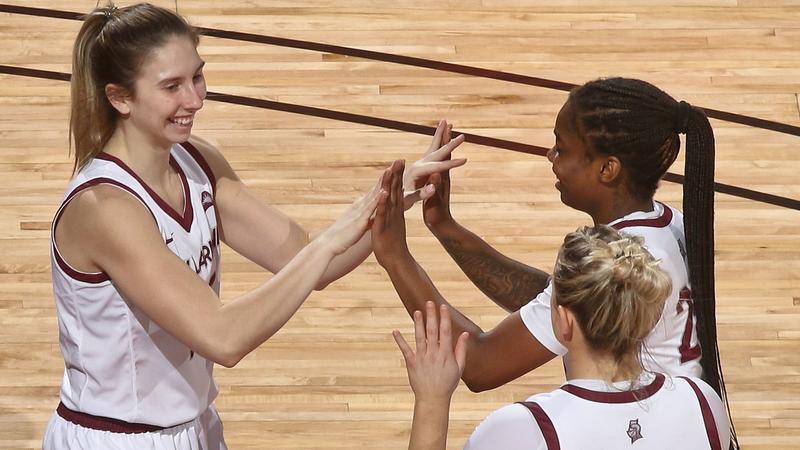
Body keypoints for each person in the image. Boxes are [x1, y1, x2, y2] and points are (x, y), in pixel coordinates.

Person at [42, 3, 464, 449]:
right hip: (117, 438)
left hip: (194, 427)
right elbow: (224, 338)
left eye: (197, 76)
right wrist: (331, 240)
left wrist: (394, 199)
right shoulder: (104, 207)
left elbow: (305, 262)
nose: (194, 99)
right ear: (119, 97)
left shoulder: (197, 161)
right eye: (171, 86)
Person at [372, 77, 737, 446]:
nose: (550, 156)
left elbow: (481, 365)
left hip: (627, 427)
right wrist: (445, 227)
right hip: (683, 421)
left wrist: (395, 257)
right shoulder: (662, 227)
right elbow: (561, 296)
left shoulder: (636, 248)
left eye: (561, 149)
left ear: (607, 169)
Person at [391, 226, 730, 450]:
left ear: (564, 321)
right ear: (648, 316)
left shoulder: (522, 431)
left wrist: (432, 402)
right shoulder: (702, 402)